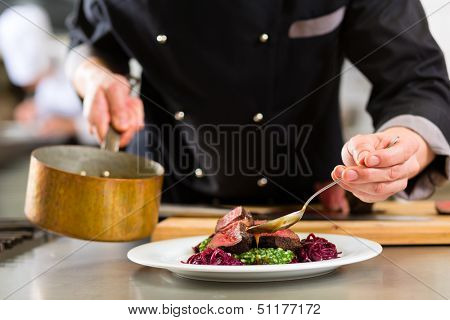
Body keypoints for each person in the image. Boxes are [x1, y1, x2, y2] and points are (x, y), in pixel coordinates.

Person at [66, 0, 450, 213]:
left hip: (310, 206)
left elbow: (414, 78)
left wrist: (406, 147)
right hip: (158, 204)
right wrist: (95, 77)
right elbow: (90, 42)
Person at [0, 4, 94, 143]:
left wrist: (73, 126)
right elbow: (48, 99)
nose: (30, 88)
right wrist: (34, 108)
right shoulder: (44, 80)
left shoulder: (79, 66)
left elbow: (115, 122)